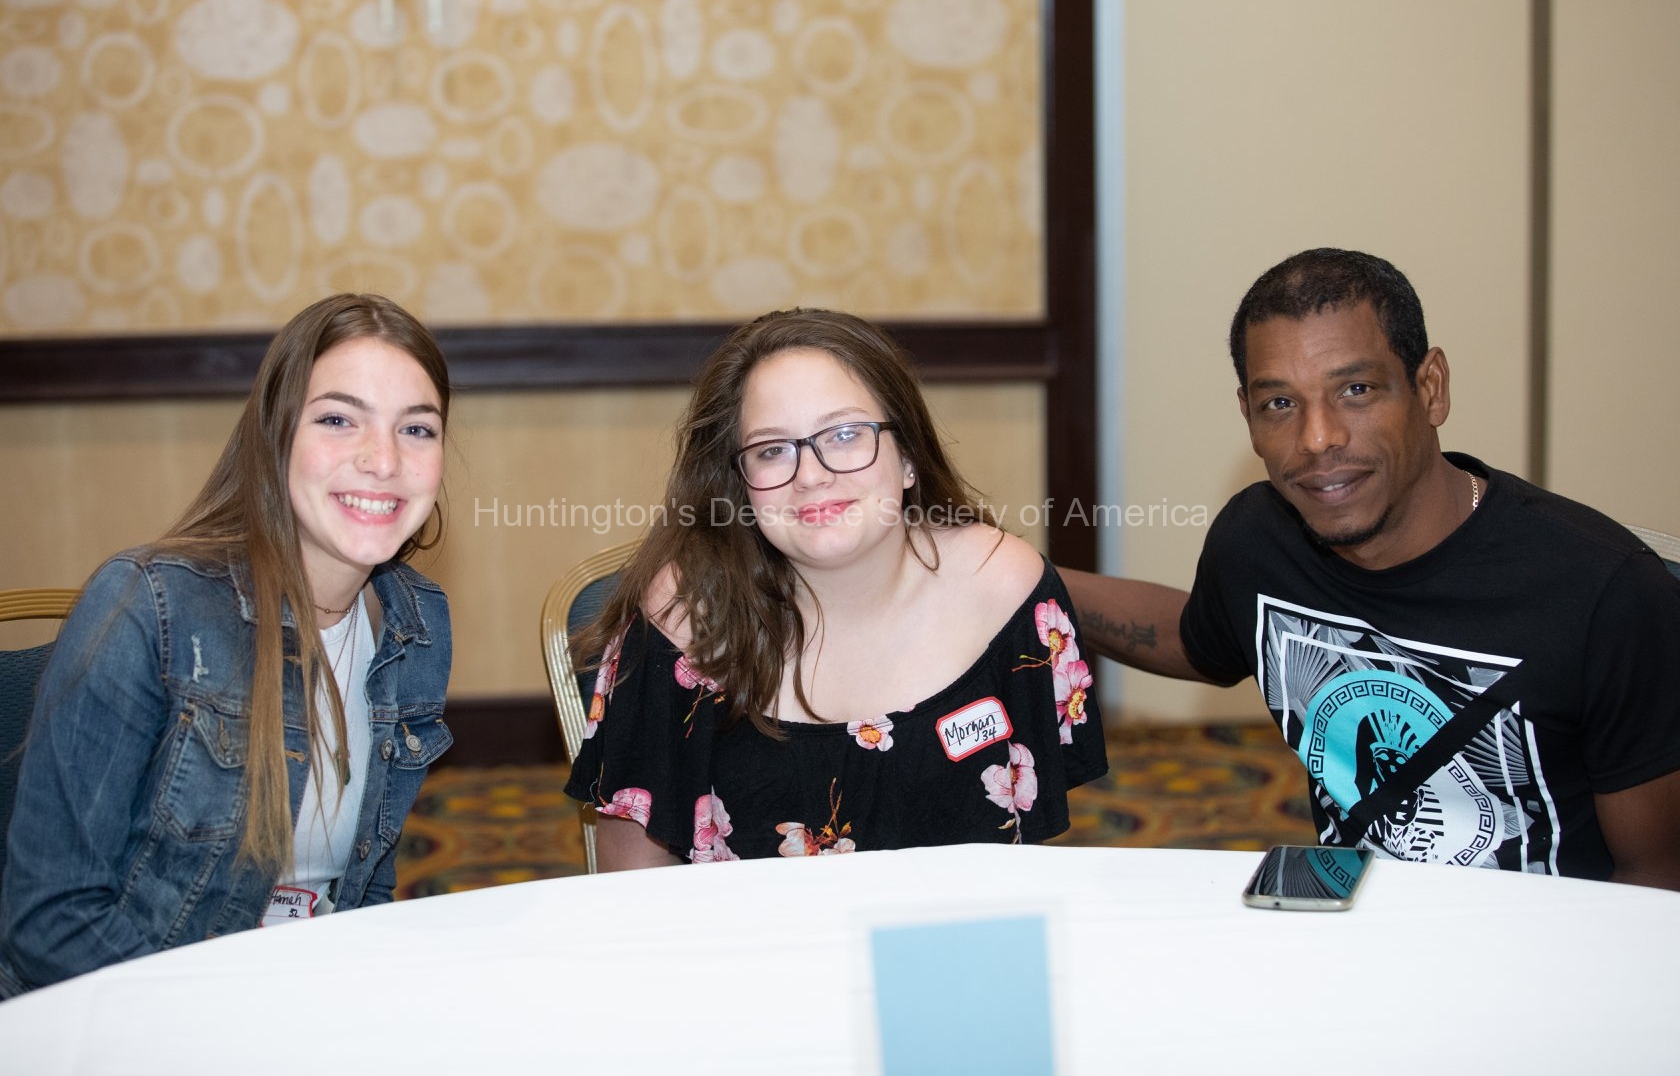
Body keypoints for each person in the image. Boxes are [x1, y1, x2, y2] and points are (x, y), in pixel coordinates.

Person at [1063, 248, 1680, 890]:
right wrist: (1020, 572)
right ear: (1247, 415)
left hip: (1549, 940)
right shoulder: (1260, 539)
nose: (1317, 438)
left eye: (1355, 391)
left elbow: (1658, 876)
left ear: (1430, 387)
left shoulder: (1605, 594)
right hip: (1356, 916)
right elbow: (1201, 640)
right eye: (1280, 403)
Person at [0, 293, 455, 996]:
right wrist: (228, 1018)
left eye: (417, 429)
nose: (384, 460)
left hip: (302, 999)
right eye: (338, 419)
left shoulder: (415, 622)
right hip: (132, 1013)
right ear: (275, 436)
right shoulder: (150, 607)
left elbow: (365, 888)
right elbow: (48, 922)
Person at [564, 308, 1106, 868]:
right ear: (741, 485)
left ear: (909, 456)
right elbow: (633, 886)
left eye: (845, 435)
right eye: (772, 449)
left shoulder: (1005, 590)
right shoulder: (684, 619)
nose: (811, 475)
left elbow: (1029, 860)